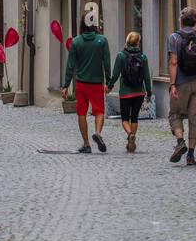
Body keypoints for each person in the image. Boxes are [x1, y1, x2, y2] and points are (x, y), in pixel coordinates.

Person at [61, 11, 111, 153]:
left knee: (82, 113)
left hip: (81, 83)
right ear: (95, 23)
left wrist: (65, 85)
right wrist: (109, 82)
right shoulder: (102, 41)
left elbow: (70, 65)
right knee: (99, 111)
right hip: (97, 83)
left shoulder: (76, 42)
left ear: (82, 24)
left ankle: (86, 144)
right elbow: (106, 63)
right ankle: (98, 133)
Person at [167, 7, 196, 166]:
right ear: (195, 21)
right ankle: (191, 156)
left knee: (175, 114)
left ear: (181, 20)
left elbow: (173, 62)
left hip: (180, 82)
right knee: (195, 118)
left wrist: (172, 84)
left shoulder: (175, 38)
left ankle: (180, 142)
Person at [107, 31, 152, 153]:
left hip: (125, 92)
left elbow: (115, 74)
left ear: (127, 41)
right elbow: (147, 77)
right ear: (138, 43)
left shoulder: (121, 56)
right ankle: (131, 140)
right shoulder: (143, 57)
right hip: (139, 92)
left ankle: (130, 135)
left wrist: (109, 86)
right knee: (134, 117)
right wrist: (149, 92)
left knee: (125, 118)